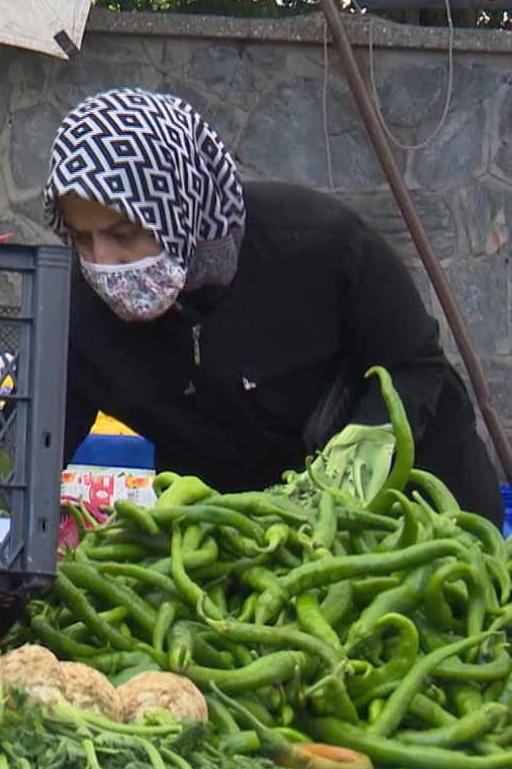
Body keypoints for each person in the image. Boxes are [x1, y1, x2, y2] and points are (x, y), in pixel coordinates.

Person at [45, 87, 503, 521]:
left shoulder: (317, 244)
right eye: (82, 238)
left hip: (418, 494)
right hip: (257, 532)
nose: (103, 261)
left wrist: (361, 455)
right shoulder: (81, 315)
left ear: (178, 206)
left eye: (123, 235)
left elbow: (412, 362)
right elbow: (34, 442)